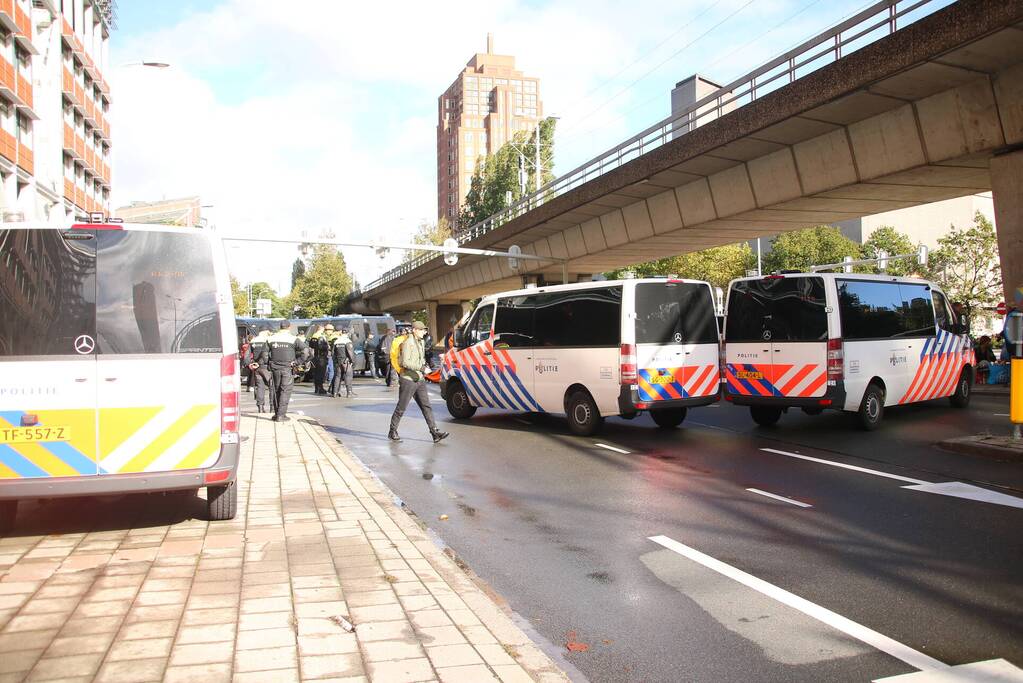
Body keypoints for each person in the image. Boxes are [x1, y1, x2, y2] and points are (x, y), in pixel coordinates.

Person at [388, 321, 449, 443]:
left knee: (426, 406)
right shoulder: (407, 343)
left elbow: (420, 359)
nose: (424, 332)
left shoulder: (421, 342)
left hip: (419, 379)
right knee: (401, 407)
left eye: (424, 330)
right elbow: (405, 362)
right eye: (421, 330)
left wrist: (425, 367)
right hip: (408, 379)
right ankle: (392, 431)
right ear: (415, 330)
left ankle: (434, 432)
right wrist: (421, 368)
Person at [259, 320, 307, 422]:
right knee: (285, 391)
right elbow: (306, 352)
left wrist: (268, 363)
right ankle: (281, 415)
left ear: (279, 327)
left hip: (275, 368)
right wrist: (297, 362)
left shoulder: (271, 339)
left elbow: (264, 353)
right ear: (289, 327)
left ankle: (277, 414)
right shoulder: (294, 339)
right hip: (287, 368)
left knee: (276, 390)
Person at [248, 324, 273, 413]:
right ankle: (272, 408)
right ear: (266, 331)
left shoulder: (253, 340)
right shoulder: (268, 340)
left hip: (256, 368)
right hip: (266, 367)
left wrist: (251, 364)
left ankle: (260, 408)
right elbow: (265, 354)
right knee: (272, 386)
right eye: (269, 332)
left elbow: (248, 355)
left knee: (259, 387)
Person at [330, 328, 356, 397]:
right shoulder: (347, 341)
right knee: (348, 377)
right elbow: (351, 353)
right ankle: (349, 393)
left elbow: (333, 353)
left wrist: (335, 361)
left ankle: (335, 393)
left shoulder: (336, 341)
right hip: (346, 362)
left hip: (338, 362)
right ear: (347, 333)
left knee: (338, 377)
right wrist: (353, 362)